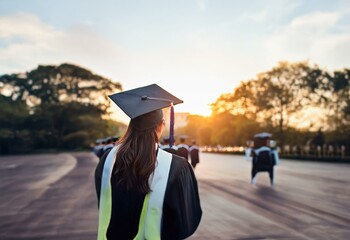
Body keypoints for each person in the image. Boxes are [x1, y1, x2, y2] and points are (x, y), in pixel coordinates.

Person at [94, 84, 202, 240]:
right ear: (160, 126)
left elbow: (104, 203)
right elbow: (186, 222)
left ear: (131, 125)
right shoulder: (176, 166)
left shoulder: (107, 161)